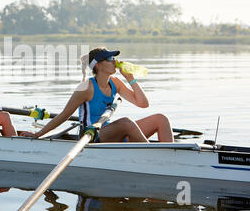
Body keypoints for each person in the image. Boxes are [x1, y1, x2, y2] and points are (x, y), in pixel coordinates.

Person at [21, 47, 173, 143]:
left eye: (114, 58)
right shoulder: (85, 88)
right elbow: (64, 115)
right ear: (98, 65)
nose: (115, 61)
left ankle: (172, 156)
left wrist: (130, 79)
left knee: (160, 119)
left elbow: (143, 104)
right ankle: (154, 158)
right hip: (92, 135)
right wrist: (39, 134)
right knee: (126, 122)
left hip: (109, 131)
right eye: (110, 59)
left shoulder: (116, 82)